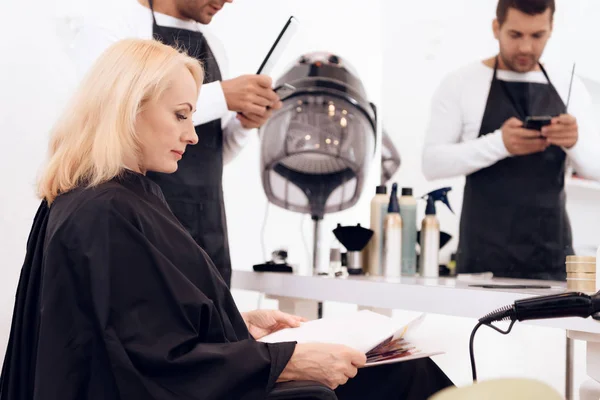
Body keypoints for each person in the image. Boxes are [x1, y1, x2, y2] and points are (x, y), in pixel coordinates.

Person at [0, 38, 453, 400]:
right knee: (406, 379)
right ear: (128, 108)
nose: (191, 135)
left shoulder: (118, 198)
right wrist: (287, 362)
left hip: (217, 374)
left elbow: (150, 323)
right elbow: (144, 361)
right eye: (180, 115)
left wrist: (238, 322)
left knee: (407, 368)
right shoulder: (106, 211)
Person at [71, 0, 284, 287]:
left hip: (209, 227)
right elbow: (110, 117)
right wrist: (222, 96)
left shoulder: (215, 46)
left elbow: (207, 150)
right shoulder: (113, 26)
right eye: (181, 113)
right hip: (142, 219)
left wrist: (244, 125)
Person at [422, 0, 600, 281]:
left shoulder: (570, 86)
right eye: (516, 35)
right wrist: (500, 144)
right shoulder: (461, 83)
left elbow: (596, 169)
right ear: (497, 27)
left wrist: (573, 141)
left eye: (537, 36)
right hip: (483, 261)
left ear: (551, 29)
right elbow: (431, 163)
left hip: (552, 260)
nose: (526, 48)